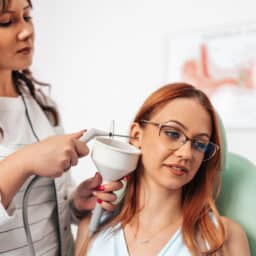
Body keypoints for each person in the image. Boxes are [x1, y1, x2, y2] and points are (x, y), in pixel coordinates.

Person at [0, 0, 122, 255]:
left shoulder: (42, 105)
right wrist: (24, 162)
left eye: (27, 16)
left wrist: (75, 201)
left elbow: (50, 198)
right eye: (7, 22)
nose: (26, 31)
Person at [76, 83, 251, 256]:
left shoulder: (223, 238)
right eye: (173, 133)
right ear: (137, 136)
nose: (186, 153)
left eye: (199, 144)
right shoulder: (92, 231)